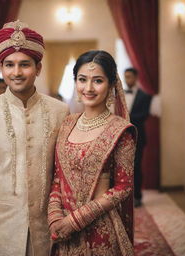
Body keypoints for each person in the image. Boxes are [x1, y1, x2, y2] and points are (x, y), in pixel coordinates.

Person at [0, 20, 69, 256]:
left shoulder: (60, 111)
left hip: (48, 228)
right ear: (1, 68)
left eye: (25, 65)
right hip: (1, 228)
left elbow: (65, 172)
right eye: (9, 65)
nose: (16, 73)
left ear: (38, 68)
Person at [48, 50, 137, 256]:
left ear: (111, 85)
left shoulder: (121, 130)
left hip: (100, 230)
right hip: (63, 228)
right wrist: (54, 216)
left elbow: (123, 187)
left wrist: (76, 220)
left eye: (97, 80)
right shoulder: (68, 123)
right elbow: (57, 177)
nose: (88, 88)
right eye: (82, 80)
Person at [124, 68, 152, 207]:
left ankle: (137, 197)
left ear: (135, 78)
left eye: (129, 77)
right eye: (125, 77)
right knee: (122, 167)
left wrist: (125, 119)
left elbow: (144, 115)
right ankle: (124, 197)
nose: (127, 79)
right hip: (121, 137)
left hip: (138, 136)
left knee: (136, 167)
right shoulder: (119, 95)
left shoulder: (145, 96)